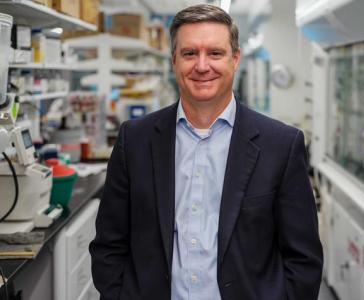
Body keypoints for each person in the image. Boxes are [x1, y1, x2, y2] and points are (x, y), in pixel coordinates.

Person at [89, 4, 323, 300]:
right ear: (174, 60)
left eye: (215, 53)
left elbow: (304, 260)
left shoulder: (281, 145)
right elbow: (109, 244)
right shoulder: (134, 140)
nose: (202, 66)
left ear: (235, 58)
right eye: (189, 53)